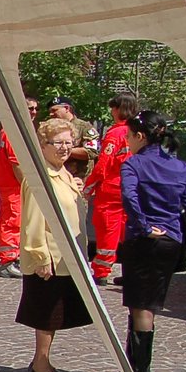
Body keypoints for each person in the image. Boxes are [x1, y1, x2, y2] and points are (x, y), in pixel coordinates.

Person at [100, 111, 186, 372]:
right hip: (170, 241)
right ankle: (131, 369)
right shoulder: (179, 167)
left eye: (129, 136)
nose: (127, 141)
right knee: (139, 304)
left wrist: (143, 225)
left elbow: (129, 197)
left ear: (140, 136)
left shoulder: (135, 164)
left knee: (143, 307)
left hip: (145, 240)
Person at [16, 118, 92, 372]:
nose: (64, 148)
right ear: (43, 145)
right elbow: (33, 220)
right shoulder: (39, 177)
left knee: (55, 315)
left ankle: (43, 360)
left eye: (68, 143)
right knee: (46, 315)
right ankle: (40, 365)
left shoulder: (62, 173)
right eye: (57, 143)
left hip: (65, 258)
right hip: (48, 257)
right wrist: (39, 256)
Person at [83, 93, 138, 283]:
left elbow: (103, 164)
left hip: (112, 188)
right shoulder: (138, 132)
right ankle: (131, 271)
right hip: (131, 188)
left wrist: (88, 187)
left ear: (117, 109)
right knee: (127, 231)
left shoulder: (115, 134)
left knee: (107, 229)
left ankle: (101, 272)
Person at [0, 97, 34, 276]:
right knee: (13, 220)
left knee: (5, 219)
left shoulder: (3, 132)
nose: (33, 112)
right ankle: (7, 260)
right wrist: (26, 185)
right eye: (30, 108)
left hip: (4, 182)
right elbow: (17, 164)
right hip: (13, 184)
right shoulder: (14, 134)